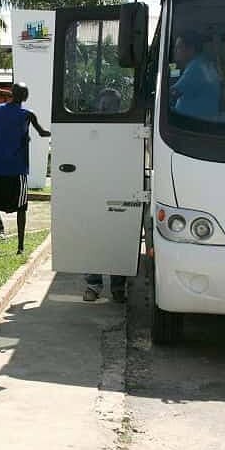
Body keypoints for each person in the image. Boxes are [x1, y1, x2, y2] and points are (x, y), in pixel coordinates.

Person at [0, 83, 50, 255]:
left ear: (11, 93)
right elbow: (43, 133)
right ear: (26, 96)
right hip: (17, 169)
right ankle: (20, 247)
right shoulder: (27, 115)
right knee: (21, 208)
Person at [84, 88, 128, 302]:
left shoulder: (127, 129)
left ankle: (118, 287)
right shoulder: (86, 128)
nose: (103, 109)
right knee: (93, 239)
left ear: (118, 107)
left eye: (109, 105)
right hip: (93, 190)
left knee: (118, 240)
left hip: (118, 191)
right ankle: (93, 285)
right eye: (101, 104)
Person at [168, 31, 221, 118]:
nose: (175, 51)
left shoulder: (196, 67)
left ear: (191, 49)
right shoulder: (203, 63)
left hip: (191, 123)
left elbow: (173, 92)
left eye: (179, 47)